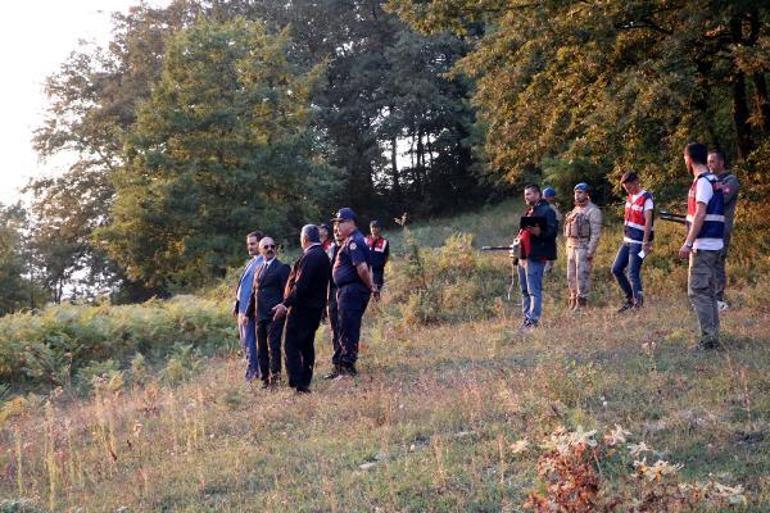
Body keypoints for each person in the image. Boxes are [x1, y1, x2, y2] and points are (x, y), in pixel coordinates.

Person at [271, 225, 331, 394]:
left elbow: (301, 286)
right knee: (306, 345)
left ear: (304, 239)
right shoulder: (323, 256)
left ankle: (298, 383)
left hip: (302, 310)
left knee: (291, 345)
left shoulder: (311, 257)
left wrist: (285, 304)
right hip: (314, 309)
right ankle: (304, 381)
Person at [679, 143, 725, 350]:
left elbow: (700, 213)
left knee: (697, 291)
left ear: (689, 159)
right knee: (708, 292)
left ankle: (708, 340)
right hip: (713, 244)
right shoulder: (713, 180)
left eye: (684, 158)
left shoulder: (703, 182)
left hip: (704, 245)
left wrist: (688, 242)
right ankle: (712, 337)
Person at [328, 207, 379, 377]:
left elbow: (363, 268)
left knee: (348, 328)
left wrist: (371, 285)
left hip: (352, 291)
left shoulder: (354, 241)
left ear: (350, 222)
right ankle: (342, 366)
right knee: (344, 328)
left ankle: (348, 368)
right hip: (348, 290)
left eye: (340, 223)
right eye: (336, 223)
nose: (337, 227)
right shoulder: (351, 240)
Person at [246, 236, 290, 388]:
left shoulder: (282, 268)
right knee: (261, 348)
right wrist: (247, 313)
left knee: (274, 346)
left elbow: (287, 292)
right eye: (266, 247)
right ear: (260, 250)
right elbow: (254, 293)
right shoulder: (258, 269)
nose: (270, 249)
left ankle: (275, 379)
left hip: (274, 315)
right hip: (260, 315)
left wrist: (284, 307)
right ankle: (265, 379)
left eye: (272, 246)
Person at [514, 185, 557, 330]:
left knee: (534, 290)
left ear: (538, 194)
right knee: (524, 290)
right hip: (523, 255)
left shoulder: (547, 210)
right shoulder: (530, 211)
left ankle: (533, 321)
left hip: (536, 255)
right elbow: (522, 233)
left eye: (530, 194)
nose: (527, 197)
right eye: (525, 194)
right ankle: (526, 318)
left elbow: (552, 233)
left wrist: (539, 232)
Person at [612, 172, 653, 312]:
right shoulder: (630, 197)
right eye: (625, 188)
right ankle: (630, 298)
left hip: (639, 242)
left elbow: (648, 221)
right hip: (627, 241)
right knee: (616, 269)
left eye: (629, 187)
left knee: (633, 272)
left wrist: (646, 242)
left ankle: (638, 304)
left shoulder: (646, 198)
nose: (627, 190)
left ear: (636, 182)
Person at [707, 149, 740, 311]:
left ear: (721, 162)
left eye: (712, 161)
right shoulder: (710, 180)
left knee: (718, 261)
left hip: (722, 228)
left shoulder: (731, 180)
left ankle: (718, 298)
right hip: (710, 227)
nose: (709, 165)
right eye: (708, 162)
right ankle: (709, 296)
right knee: (708, 261)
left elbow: (722, 198)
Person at [564, 182, 602, 309]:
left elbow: (595, 235)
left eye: (580, 192)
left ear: (587, 194)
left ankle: (582, 303)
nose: (577, 195)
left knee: (582, 276)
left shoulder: (593, 210)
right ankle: (573, 299)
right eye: (575, 193)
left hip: (583, 247)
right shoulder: (575, 210)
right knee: (571, 276)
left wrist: (590, 252)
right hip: (571, 247)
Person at [234, 230, 264, 382]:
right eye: (248, 244)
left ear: (260, 243)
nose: (250, 247)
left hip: (249, 311)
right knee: (245, 343)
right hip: (241, 309)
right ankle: (252, 372)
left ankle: (252, 374)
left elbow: (254, 290)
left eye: (253, 244)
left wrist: (247, 311)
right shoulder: (252, 262)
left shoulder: (261, 263)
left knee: (251, 343)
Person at [323, 231, 344, 379]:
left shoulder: (350, 248)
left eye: (339, 230)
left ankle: (347, 364)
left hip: (346, 293)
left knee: (346, 330)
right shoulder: (331, 250)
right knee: (335, 331)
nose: (337, 233)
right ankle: (337, 365)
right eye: (335, 230)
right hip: (332, 295)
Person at [365, 220, 390, 290]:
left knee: (377, 289)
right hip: (366, 270)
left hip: (378, 271)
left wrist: (381, 264)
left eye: (376, 227)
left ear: (379, 229)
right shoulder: (365, 240)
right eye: (372, 227)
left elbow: (386, 255)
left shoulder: (385, 242)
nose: (374, 229)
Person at [542, 187, 562, 274]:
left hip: (540, 234)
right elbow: (559, 218)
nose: (553, 198)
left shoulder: (537, 205)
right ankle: (546, 272)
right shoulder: (551, 207)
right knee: (548, 255)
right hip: (549, 234)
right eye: (553, 196)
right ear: (550, 197)